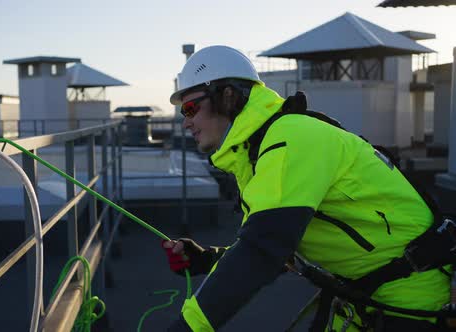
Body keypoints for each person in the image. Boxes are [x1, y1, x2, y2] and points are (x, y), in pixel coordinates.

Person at [161, 45, 451, 331]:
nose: (186, 122)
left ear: (227, 96)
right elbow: (275, 251)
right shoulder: (260, 152)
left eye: (190, 108)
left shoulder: (290, 140)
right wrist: (206, 258)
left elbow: (261, 251)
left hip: (412, 297)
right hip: (371, 294)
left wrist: (187, 327)